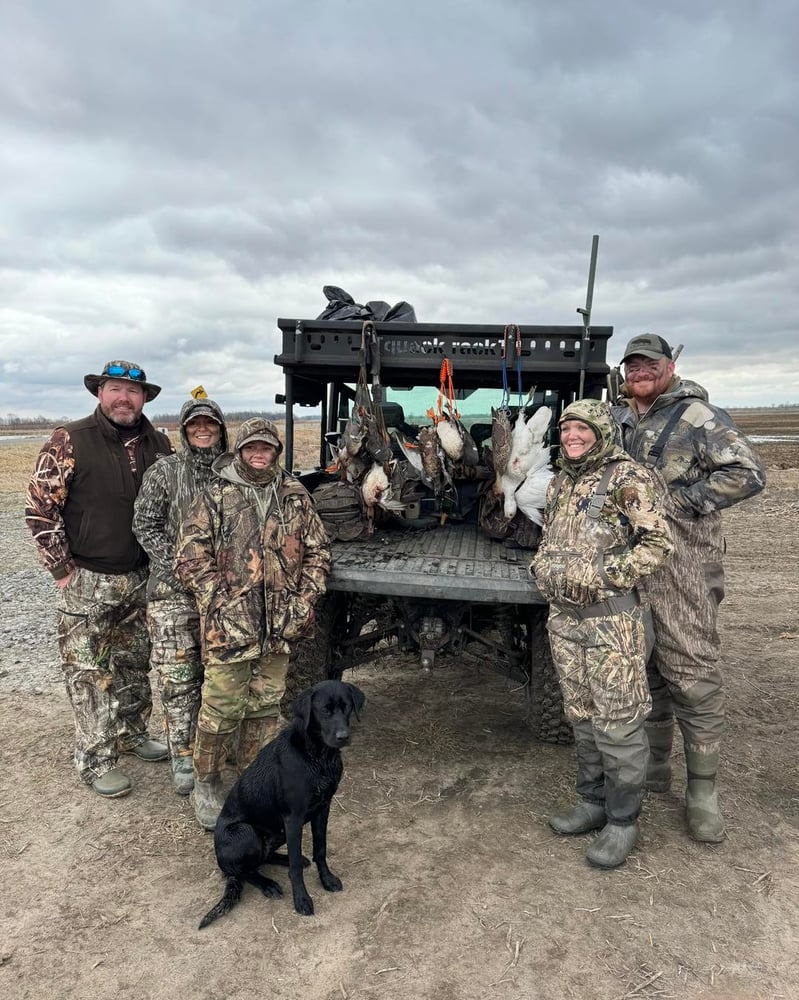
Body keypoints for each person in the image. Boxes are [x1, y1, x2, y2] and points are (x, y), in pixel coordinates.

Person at [611, 334, 766, 843]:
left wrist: (681, 503)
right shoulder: (619, 420)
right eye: (633, 365)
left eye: (650, 364)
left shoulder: (699, 417)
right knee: (646, 668)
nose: (641, 372)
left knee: (692, 675)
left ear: (670, 366)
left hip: (684, 569)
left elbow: (748, 473)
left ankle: (703, 791)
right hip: (632, 565)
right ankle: (656, 769)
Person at [531, 399, 673, 868]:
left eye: (582, 428)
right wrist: (543, 566)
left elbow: (658, 544)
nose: (571, 435)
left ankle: (622, 820)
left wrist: (606, 574)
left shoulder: (627, 477)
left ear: (601, 430)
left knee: (618, 719)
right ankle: (591, 802)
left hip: (612, 619)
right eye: (567, 428)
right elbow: (554, 537)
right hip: (565, 618)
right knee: (582, 712)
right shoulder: (561, 482)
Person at [25, 360, 173, 798]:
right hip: (86, 580)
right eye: (115, 389)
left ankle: (131, 734)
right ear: (99, 393)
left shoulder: (160, 444)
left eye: (133, 390)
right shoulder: (69, 439)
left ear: (145, 397)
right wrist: (61, 569)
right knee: (88, 673)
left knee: (133, 664)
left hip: (140, 578)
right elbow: (39, 507)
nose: (124, 398)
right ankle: (95, 759)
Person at [175, 417, 331, 830]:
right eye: (251, 448)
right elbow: (190, 557)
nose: (258, 454)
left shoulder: (296, 496)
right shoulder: (215, 494)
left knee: (264, 707)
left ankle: (253, 778)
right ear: (239, 451)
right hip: (229, 628)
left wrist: (306, 599)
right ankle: (206, 783)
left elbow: (318, 553)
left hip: (281, 628)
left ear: (276, 452)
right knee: (222, 706)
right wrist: (219, 603)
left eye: (266, 448)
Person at [133, 391, 228, 796]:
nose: (202, 429)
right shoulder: (165, 471)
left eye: (209, 423)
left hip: (223, 595)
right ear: (185, 430)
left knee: (220, 676)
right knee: (178, 679)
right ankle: (183, 756)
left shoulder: (234, 471)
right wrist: (179, 570)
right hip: (173, 595)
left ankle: (215, 751)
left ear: (221, 429)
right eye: (195, 424)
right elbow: (145, 524)